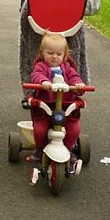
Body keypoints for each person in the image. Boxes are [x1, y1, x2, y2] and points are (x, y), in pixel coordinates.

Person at [25, 32, 86, 174]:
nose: (54, 56)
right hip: (46, 105)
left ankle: (68, 149)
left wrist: (78, 85)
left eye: (59, 54)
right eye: (50, 53)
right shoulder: (41, 66)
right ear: (42, 52)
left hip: (65, 105)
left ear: (65, 55)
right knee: (40, 129)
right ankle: (39, 149)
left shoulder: (67, 68)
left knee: (74, 129)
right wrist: (43, 82)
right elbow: (36, 75)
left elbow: (75, 78)